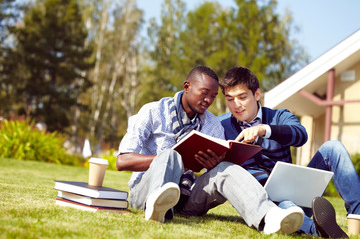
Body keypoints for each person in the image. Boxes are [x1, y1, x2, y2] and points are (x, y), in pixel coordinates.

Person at [116, 65, 304, 235]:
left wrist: (214, 165)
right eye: (204, 93)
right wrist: (171, 158)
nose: (208, 100)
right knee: (170, 155)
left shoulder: (213, 124)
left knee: (227, 168)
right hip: (144, 193)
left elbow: (212, 173)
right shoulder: (153, 112)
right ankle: (157, 207)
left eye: (213, 96)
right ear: (187, 87)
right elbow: (122, 161)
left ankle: (269, 217)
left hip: (186, 196)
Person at [218, 66, 360, 238]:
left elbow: (301, 136)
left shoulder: (279, 116)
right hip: (264, 200)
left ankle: (356, 221)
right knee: (284, 205)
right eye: (230, 99)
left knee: (334, 147)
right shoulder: (221, 126)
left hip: (296, 190)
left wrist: (265, 130)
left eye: (242, 97)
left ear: (257, 95)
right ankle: (319, 230)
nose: (236, 105)